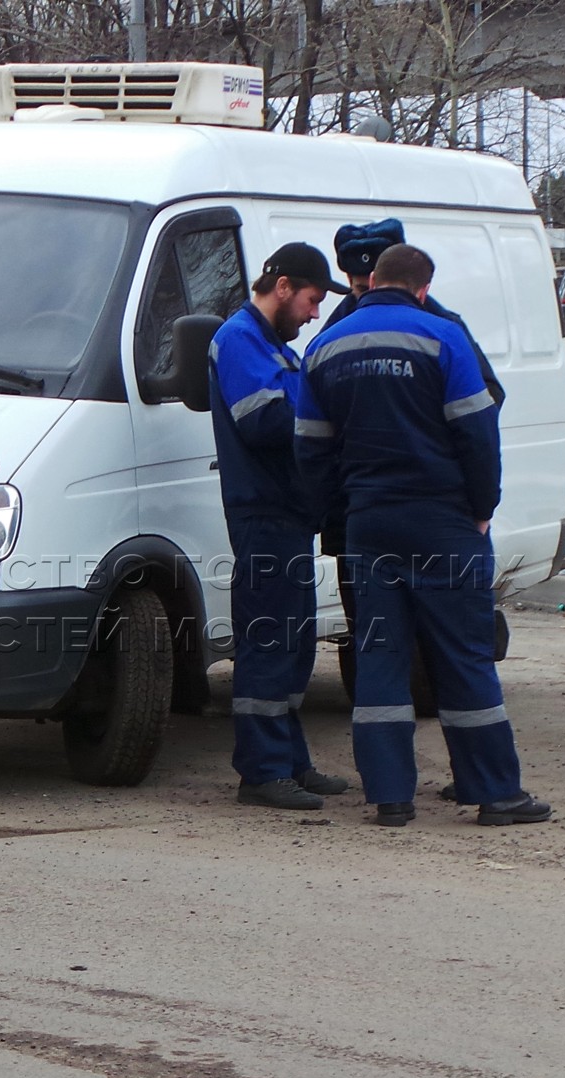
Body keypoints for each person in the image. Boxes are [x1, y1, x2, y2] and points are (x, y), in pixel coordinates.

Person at [296, 244, 550, 828]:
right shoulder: (443, 336)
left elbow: (310, 448)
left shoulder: (325, 346)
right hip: (442, 521)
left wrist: (339, 513)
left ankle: (390, 797)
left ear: (370, 283)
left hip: (368, 523)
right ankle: (494, 794)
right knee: (463, 654)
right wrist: (481, 507)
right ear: (421, 289)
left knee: (379, 655)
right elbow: (479, 432)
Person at [209, 242, 352, 812]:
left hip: (286, 516)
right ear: (285, 286)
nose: (314, 314)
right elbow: (265, 421)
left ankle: (290, 761)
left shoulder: (273, 347)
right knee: (270, 643)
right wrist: (327, 414)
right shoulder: (239, 339)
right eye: (313, 301)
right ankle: (263, 772)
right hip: (263, 514)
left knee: (291, 646)